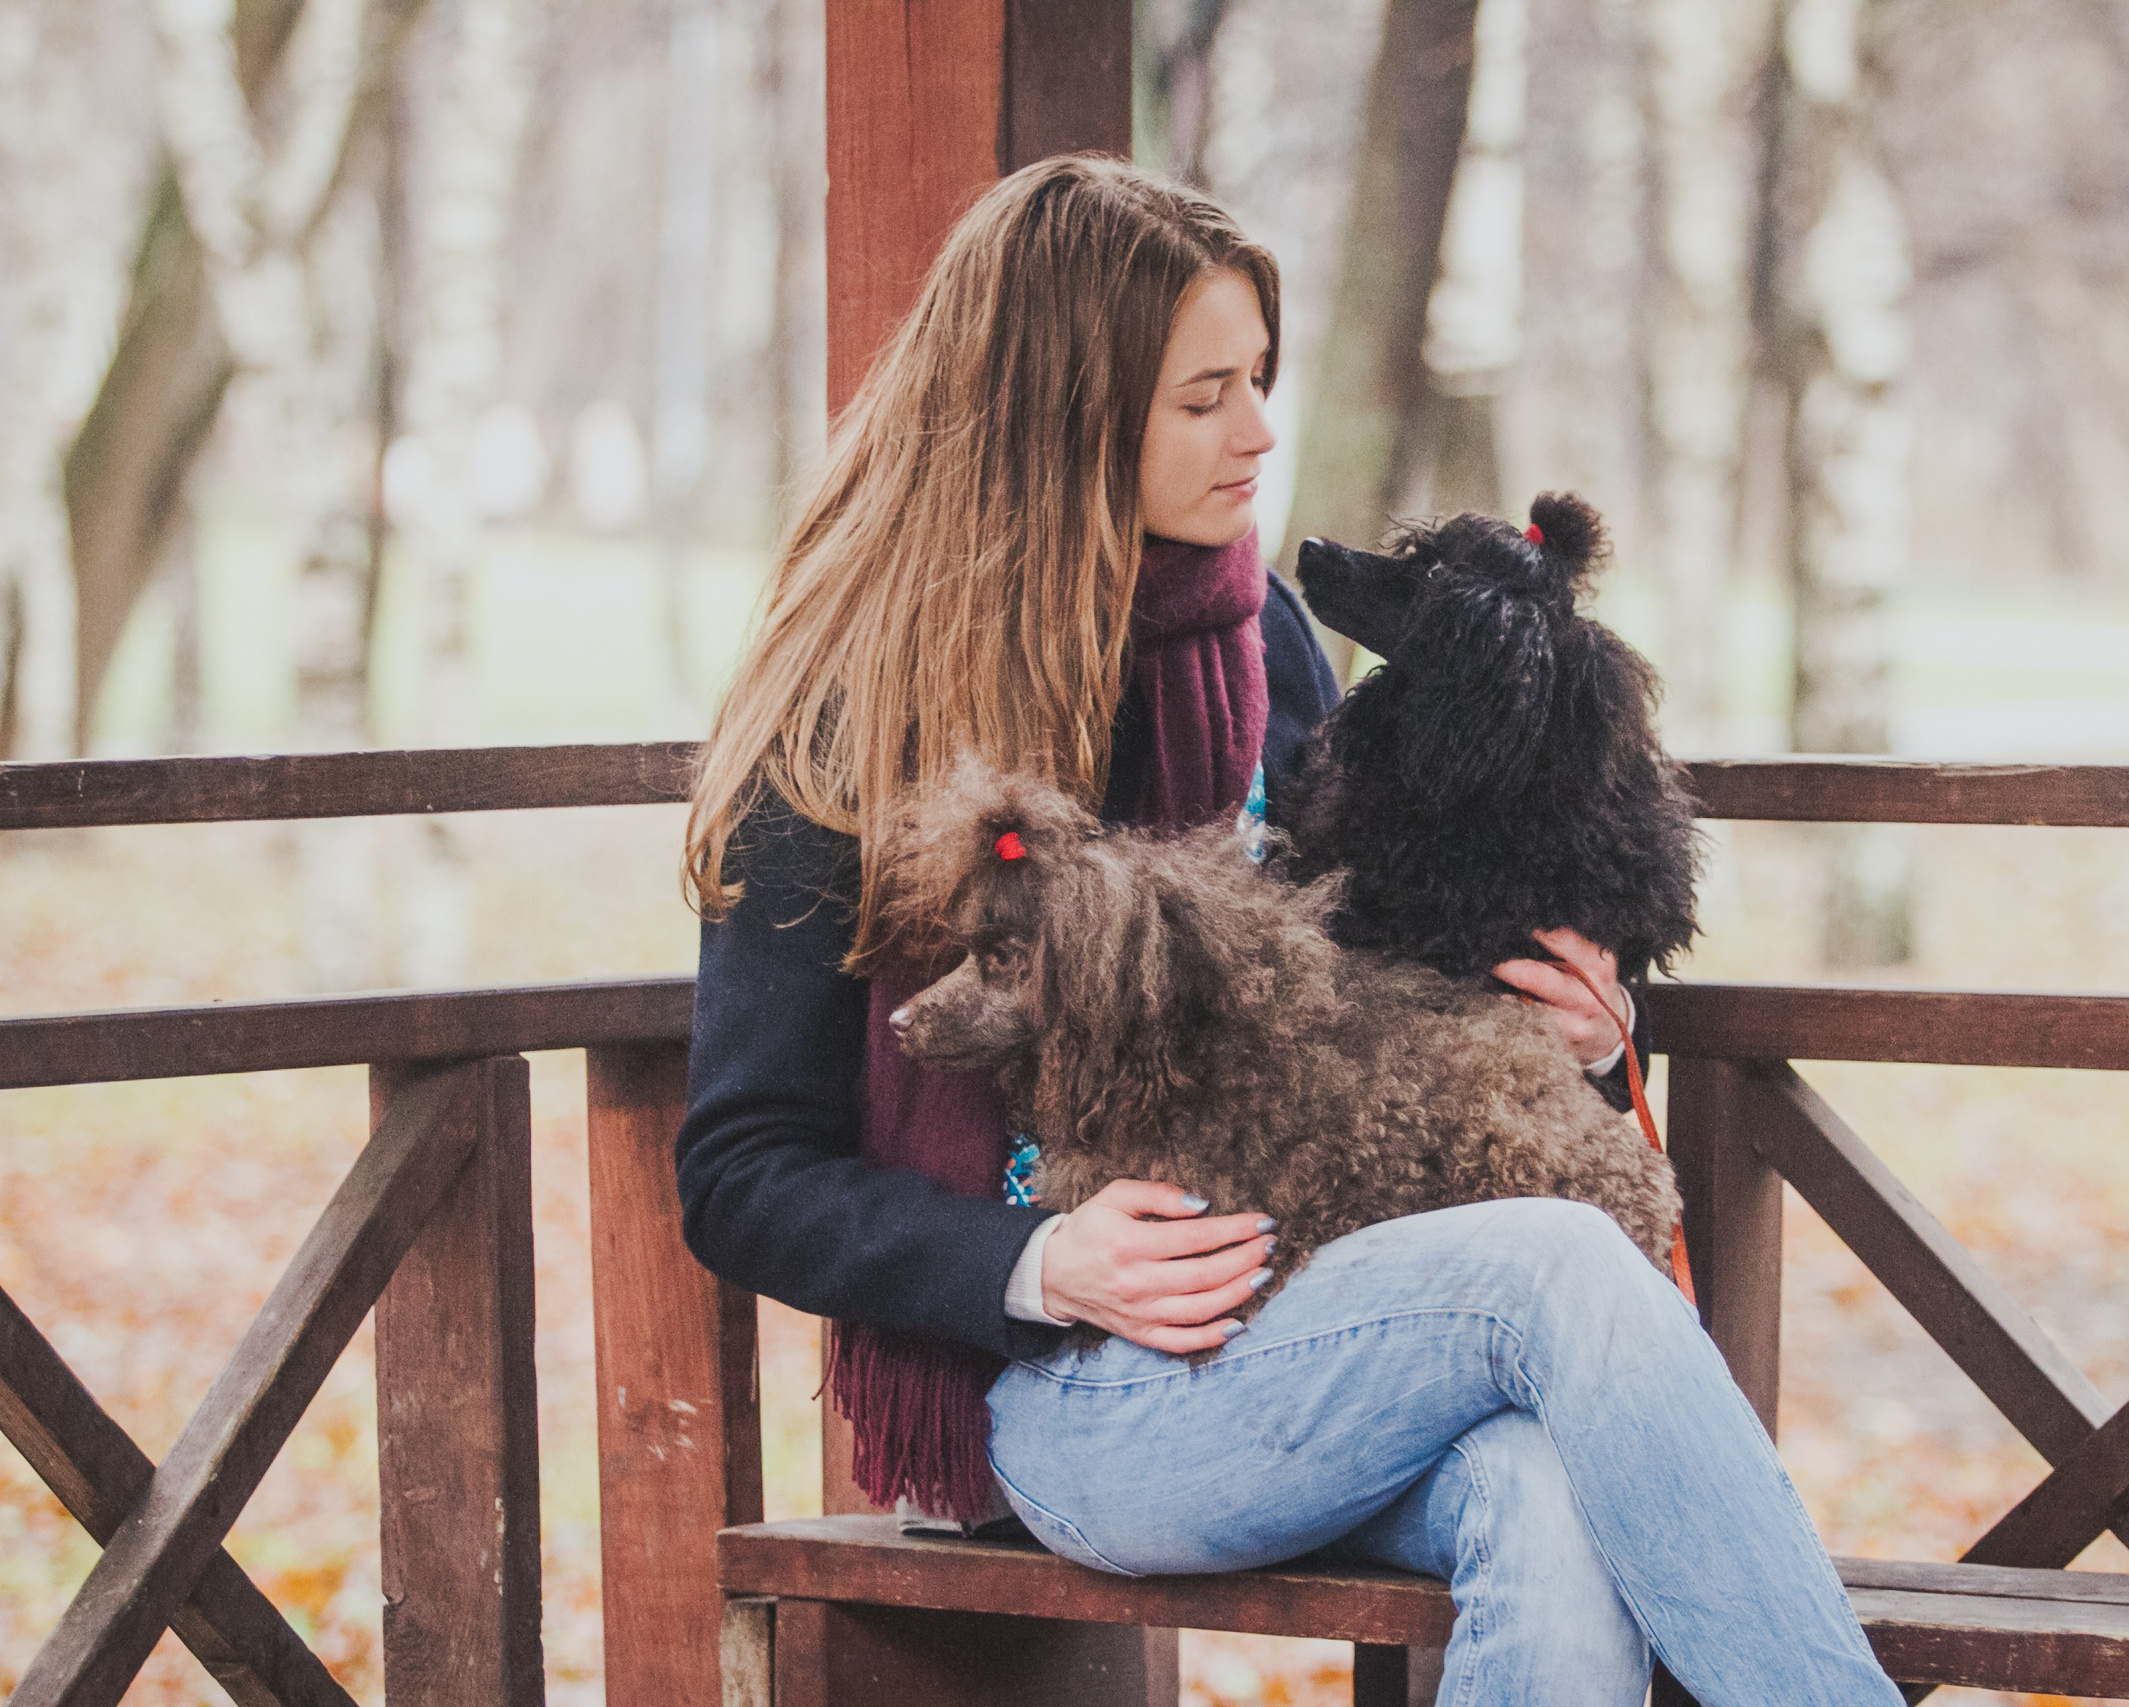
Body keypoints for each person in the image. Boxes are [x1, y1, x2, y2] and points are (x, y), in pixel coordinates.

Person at [676, 155, 1899, 1706]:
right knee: (1556, 1269)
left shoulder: (1259, 644)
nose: (1260, 431)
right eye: (1205, 397)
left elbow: (1374, 989)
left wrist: (1577, 1039)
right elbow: (738, 1173)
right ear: (1064, 413)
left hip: (1334, 1310)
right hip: (1069, 1396)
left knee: (1549, 1493)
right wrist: (1042, 1263)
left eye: (1260, 378)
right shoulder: (848, 725)